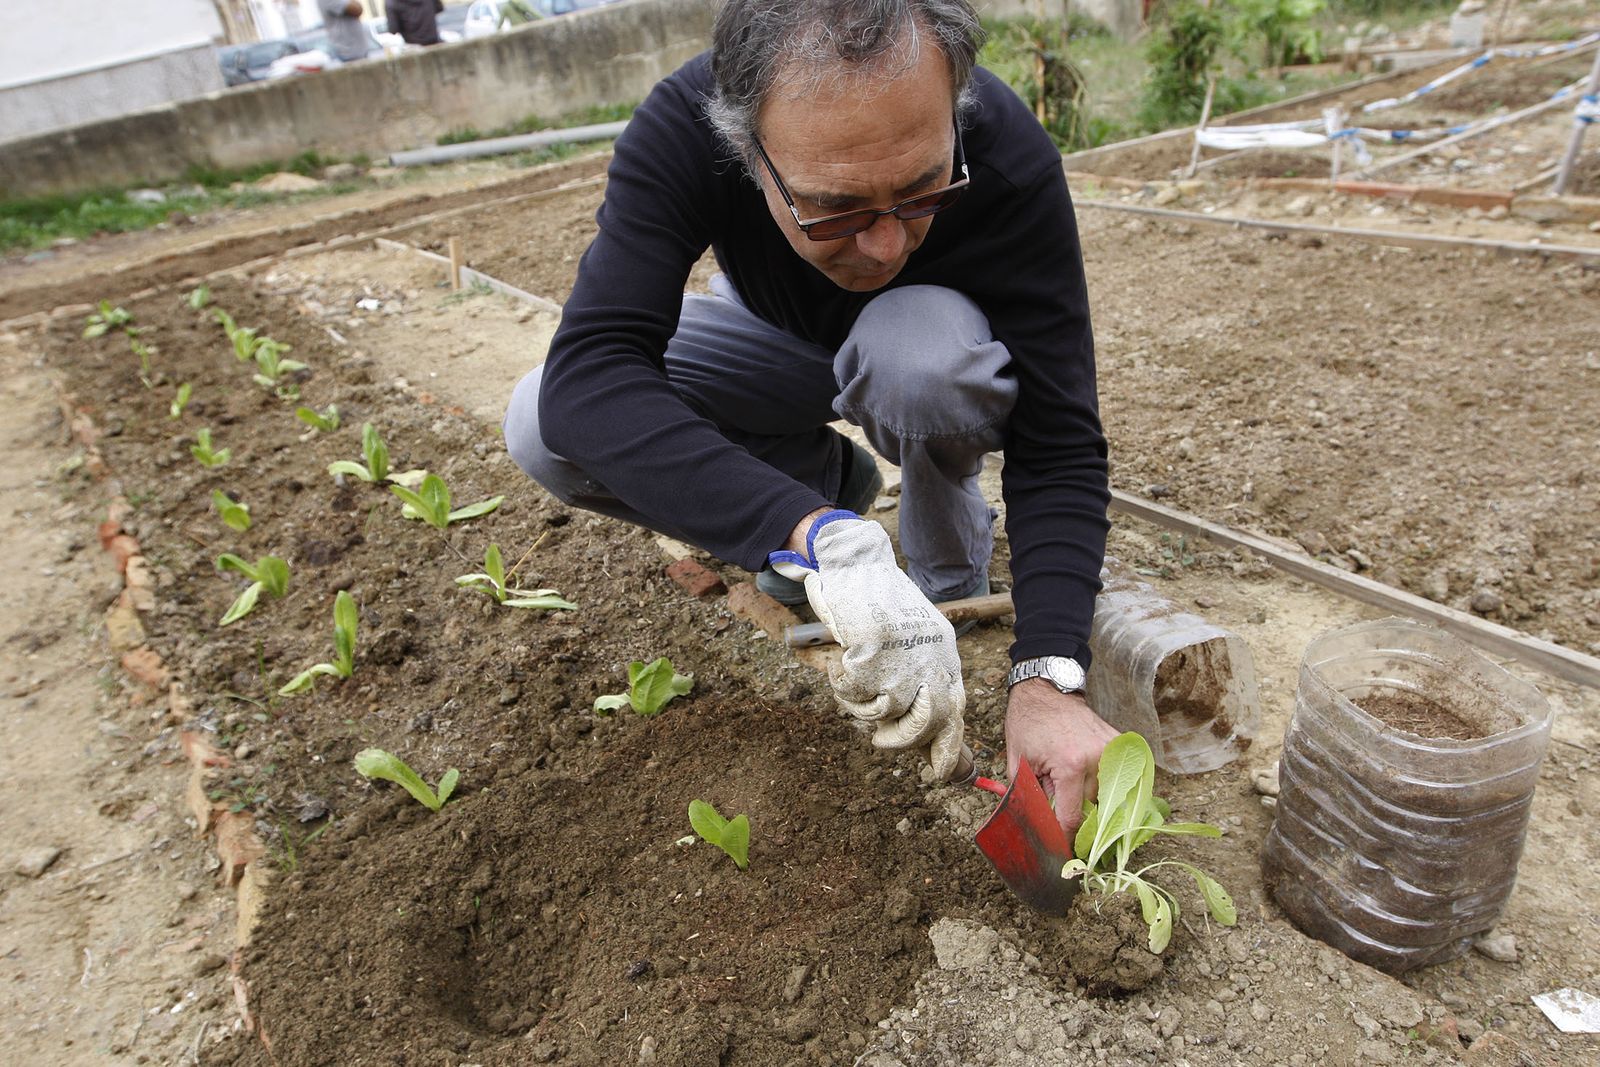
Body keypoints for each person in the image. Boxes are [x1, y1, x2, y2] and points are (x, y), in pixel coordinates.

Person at [503, 0, 1118, 835]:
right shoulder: (684, 127)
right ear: (745, 146)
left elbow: (1060, 441)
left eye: (921, 190)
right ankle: (824, 488)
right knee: (541, 426)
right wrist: (817, 535)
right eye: (833, 207)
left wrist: (1049, 676)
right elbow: (590, 377)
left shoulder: (1005, 153)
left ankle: (946, 580)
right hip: (772, 333)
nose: (885, 246)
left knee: (920, 360)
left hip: (923, 348)